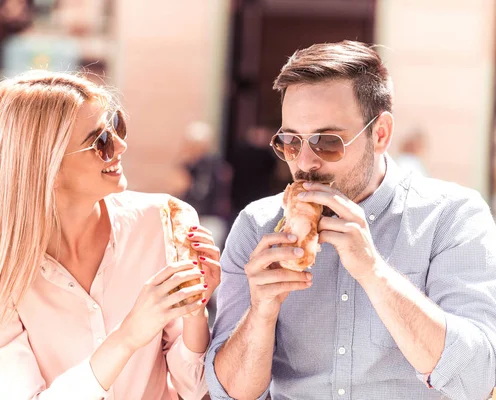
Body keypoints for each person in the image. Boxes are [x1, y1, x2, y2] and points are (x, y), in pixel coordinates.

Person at [204, 41, 496, 400]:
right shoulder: (257, 225)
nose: (306, 163)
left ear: (381, 134)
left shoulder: (453, 216)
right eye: (291, 142)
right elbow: (228, 393)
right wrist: (261, 313)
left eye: (328, 142)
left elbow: (477, 379)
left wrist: (374, 273)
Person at [0, 71, 221, 400]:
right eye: (99, 142)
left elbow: (195, 388)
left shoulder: (165, 222)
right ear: (47, 169)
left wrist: (194, 313)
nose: (120, 145)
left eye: (116, 126)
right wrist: (128, 335)